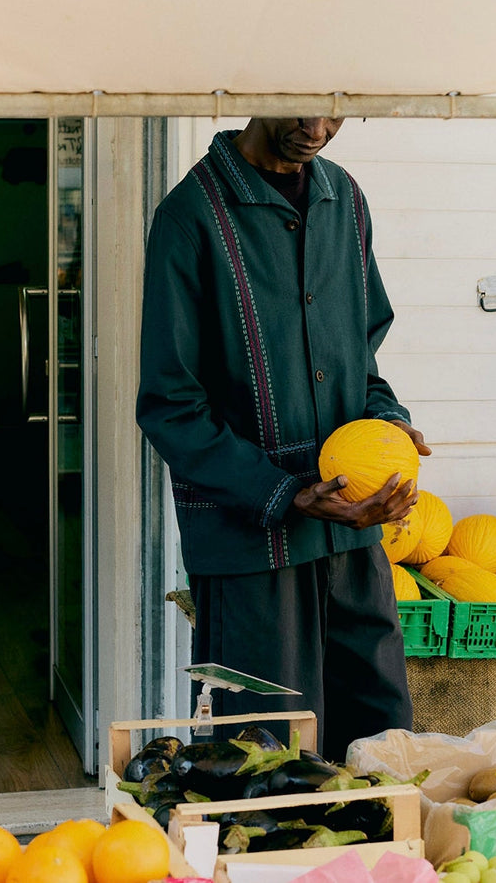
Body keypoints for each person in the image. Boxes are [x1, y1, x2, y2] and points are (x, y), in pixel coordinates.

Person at [136, 117, 431, 761]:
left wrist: (388, 422)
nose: (317, 128)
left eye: (333, 108)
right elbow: (170, 405)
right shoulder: (191, 216)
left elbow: (361, 356)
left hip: (353, 539)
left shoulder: (344, 200)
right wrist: (287, 493)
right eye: (299, 103)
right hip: (252, 550)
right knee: (262, 761)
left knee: (381, 746)